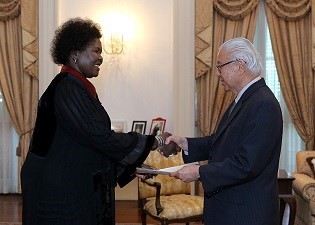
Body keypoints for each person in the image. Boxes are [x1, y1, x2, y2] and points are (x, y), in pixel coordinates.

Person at [20, 17, 172, 225]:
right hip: (59, 187)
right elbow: (99, 137)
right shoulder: (67, 87)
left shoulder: (77, 86)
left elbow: (87, 143)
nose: (101, 57)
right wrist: (155, 141)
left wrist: (132, 167)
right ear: (75, 55)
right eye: (96, 51)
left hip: (69, 177)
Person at [164, 37, 283, 225]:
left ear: (240, 66)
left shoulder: (263, 104)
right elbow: (220, 141)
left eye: (220, 66)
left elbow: (246, 164)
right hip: (232, 209)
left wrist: (199, 172)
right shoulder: (246, 99)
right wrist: (186, 143)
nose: (217, 73)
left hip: (245, 214)